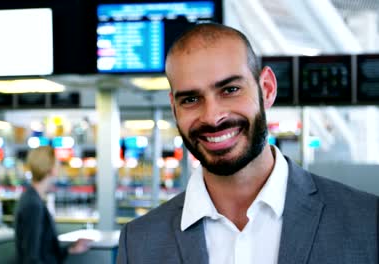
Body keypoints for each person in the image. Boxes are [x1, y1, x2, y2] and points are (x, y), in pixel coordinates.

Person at [117, 23, 378, 264]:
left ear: (266, 88)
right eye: (190, 100)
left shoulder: (367, 222)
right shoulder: (139, 243)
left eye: (230, 90)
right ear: (175, 109)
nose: (212, 117)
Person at [15, 146, 91, 264]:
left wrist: (70, 249)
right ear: (51, 168)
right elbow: (31, 258)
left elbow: (44, 251)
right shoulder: (33, 204)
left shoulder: (33, 199)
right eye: (57, 163)